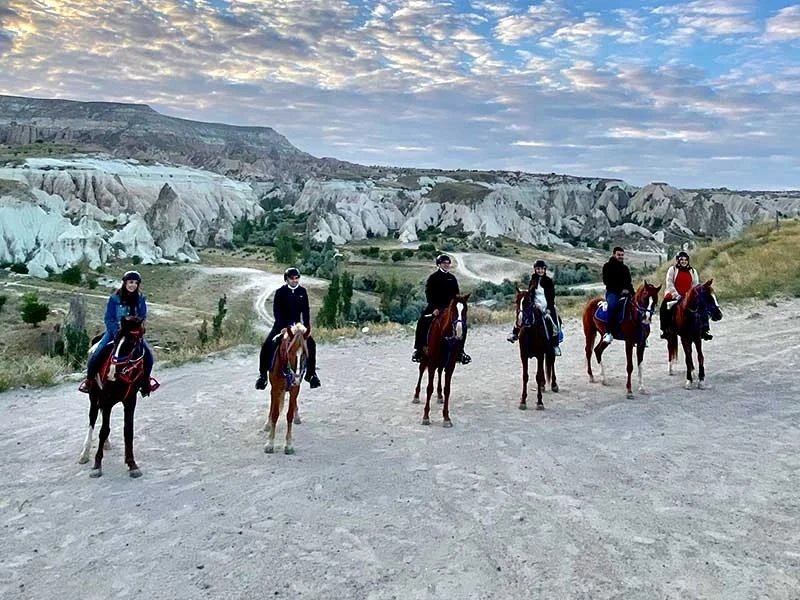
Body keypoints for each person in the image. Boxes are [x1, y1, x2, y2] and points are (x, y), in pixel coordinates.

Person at [79, 270, 154, 396]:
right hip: (115, 332)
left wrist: (139, 328)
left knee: (148, 356)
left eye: (136, 283)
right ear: (124, 283)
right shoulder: (114, 299)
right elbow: (109, 318)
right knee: (98, 352)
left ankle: (146, 382)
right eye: (130, 282)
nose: (133, 285)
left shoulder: (140, 299)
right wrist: (116, 332)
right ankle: (89, 381)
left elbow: (142, 315)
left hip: (133, 334)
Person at [255, 267, 321, 390]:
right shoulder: (280, 292)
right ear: (286, 279)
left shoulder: (302, 291)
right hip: (281, 325)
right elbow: (277, 311)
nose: (295, 281)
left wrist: (307, 326)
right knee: (267, 344)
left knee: (311, 344)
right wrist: (283, 327)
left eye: (297, 278)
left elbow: (306, 310)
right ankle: (262, 376)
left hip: (297, 325)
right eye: (292, 278)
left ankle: (311, 374)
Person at [412, 254, 471, 365]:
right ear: (439, 264)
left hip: (449, 309)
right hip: (435, 307)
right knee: (422, 322)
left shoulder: (452, 278)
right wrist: (434, 308)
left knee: (463, 326)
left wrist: (455, 306)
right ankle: (419, 349)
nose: (447, 265)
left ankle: (460, 352)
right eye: (444, 263)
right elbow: (429, 293)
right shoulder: (433, 278)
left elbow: (456, 295)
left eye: (448, 263)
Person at [507, 259, 562, 356]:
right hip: (535, 305)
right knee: (522, 315)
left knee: (555, 322)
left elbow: (551, 296)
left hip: (547, 305)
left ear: (544, 269)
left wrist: (548, 308)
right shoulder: (532, 280)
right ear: (535, 270)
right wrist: (532, 303)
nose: (540, 271)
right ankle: (515, 332)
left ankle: (555, 345)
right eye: (538, 269)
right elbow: (530, 294)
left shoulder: (548, 281)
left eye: (542, 269)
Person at [659, 251, 712, 340]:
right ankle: (665, 329)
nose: (684, 261)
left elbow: (695, 285)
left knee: (702, 306)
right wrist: (677, 295)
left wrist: (692, 296)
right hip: (674, 295)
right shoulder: (672, 270)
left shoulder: (693, 271)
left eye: (685, 260)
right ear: (678, 261)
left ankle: (704, 329)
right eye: (681, 260)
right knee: (664, 307)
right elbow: (669, 283)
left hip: (688, 296)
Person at [602, 246, 634, 343]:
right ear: (614, 255)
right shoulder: (607, 266)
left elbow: (629, 282)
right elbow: (606, 281)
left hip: (626, 293)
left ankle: (639, 334)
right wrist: (620, 290)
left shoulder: (625, 268)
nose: (620, 257)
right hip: (613, 293)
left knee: (637, 307)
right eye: (619, 255)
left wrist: (633, 293)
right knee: (612, 306)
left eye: (622, 255)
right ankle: (609, 332)